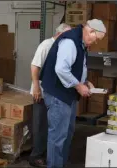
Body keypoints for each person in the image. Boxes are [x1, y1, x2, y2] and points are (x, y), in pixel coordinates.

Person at [39, 19, 106, 168]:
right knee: (58, 136)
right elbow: (61, 69)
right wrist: (78, 85)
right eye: (95, 39)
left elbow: (77, 66)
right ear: (90, 31)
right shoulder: (70, 42)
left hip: (67, 95)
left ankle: (60, 164)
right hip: (58, 94)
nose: (94, 43)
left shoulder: (81, 42)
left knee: (67, 133)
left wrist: (86, 82)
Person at [29, 23, 71, 167]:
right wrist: (36, 87)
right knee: (40, 125)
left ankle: (48, 154)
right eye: (67, 35)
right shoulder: (46, 45)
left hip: (53, 93)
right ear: (60, 34)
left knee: (50, 126)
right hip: (40, 91)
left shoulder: (62, 46)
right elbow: (35, 66)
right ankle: (35, 156)